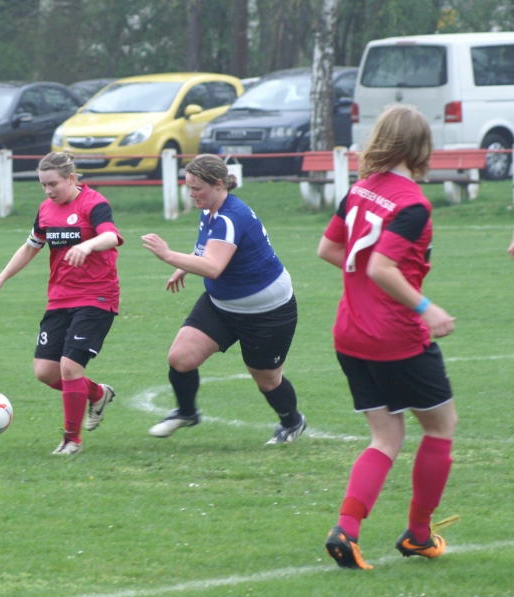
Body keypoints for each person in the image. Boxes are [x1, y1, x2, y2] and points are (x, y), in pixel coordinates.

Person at [317, 104, 457, 570]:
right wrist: (424, 305)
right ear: (421, 147)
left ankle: (346, 528)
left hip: (350, 332)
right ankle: (418, 534)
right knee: (440, 427)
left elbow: (329, 248)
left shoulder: (359, 190)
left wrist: (365, 280)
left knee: (385, 438)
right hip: (395, 335)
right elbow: (381, 266)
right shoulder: (413, 203)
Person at [142, 154, 306, 445]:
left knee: (266, 379)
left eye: (196, 188)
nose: (191, 194)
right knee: (180, 358)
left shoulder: (231, 217)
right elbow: (206, 251)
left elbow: (214, 267)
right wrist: (184, 265)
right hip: (222, 305)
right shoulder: (210, 209)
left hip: (267, 312)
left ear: (219, 184)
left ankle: (292, 422)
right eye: (188, 187)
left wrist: (168, 256)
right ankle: (187, 411)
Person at [0, 151, 122, 455]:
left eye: (53, 184)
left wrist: (87, 245)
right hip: (60, 297)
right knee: (46, 372)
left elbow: (111, 237)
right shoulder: (46, 209)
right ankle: (98, 394)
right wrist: (2, 277)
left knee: (70, 367)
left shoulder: (93, 204)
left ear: (71, 179)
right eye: (43, 185)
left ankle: (71, 440)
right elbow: (31, 247)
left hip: (96, 296)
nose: (48, 191)